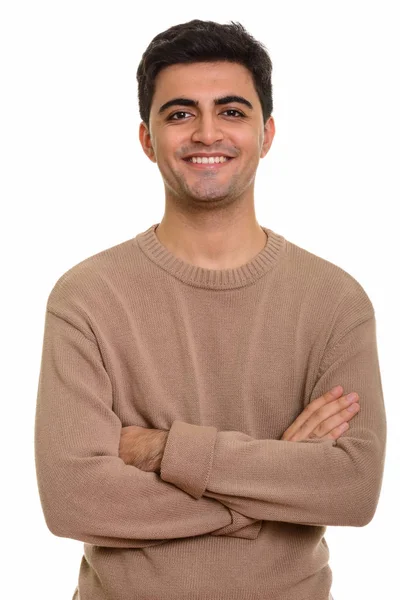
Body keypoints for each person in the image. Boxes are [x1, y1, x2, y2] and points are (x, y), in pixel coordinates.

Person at [34, 19, 386, 600]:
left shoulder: (335, 303)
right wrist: (267, 493)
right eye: (179, 114)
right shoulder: (86, 298)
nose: (205, 133)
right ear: (147, 140)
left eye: (231, 111)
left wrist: (161, 451)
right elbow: (74, 500)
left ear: (266, 133)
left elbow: (351, 489)